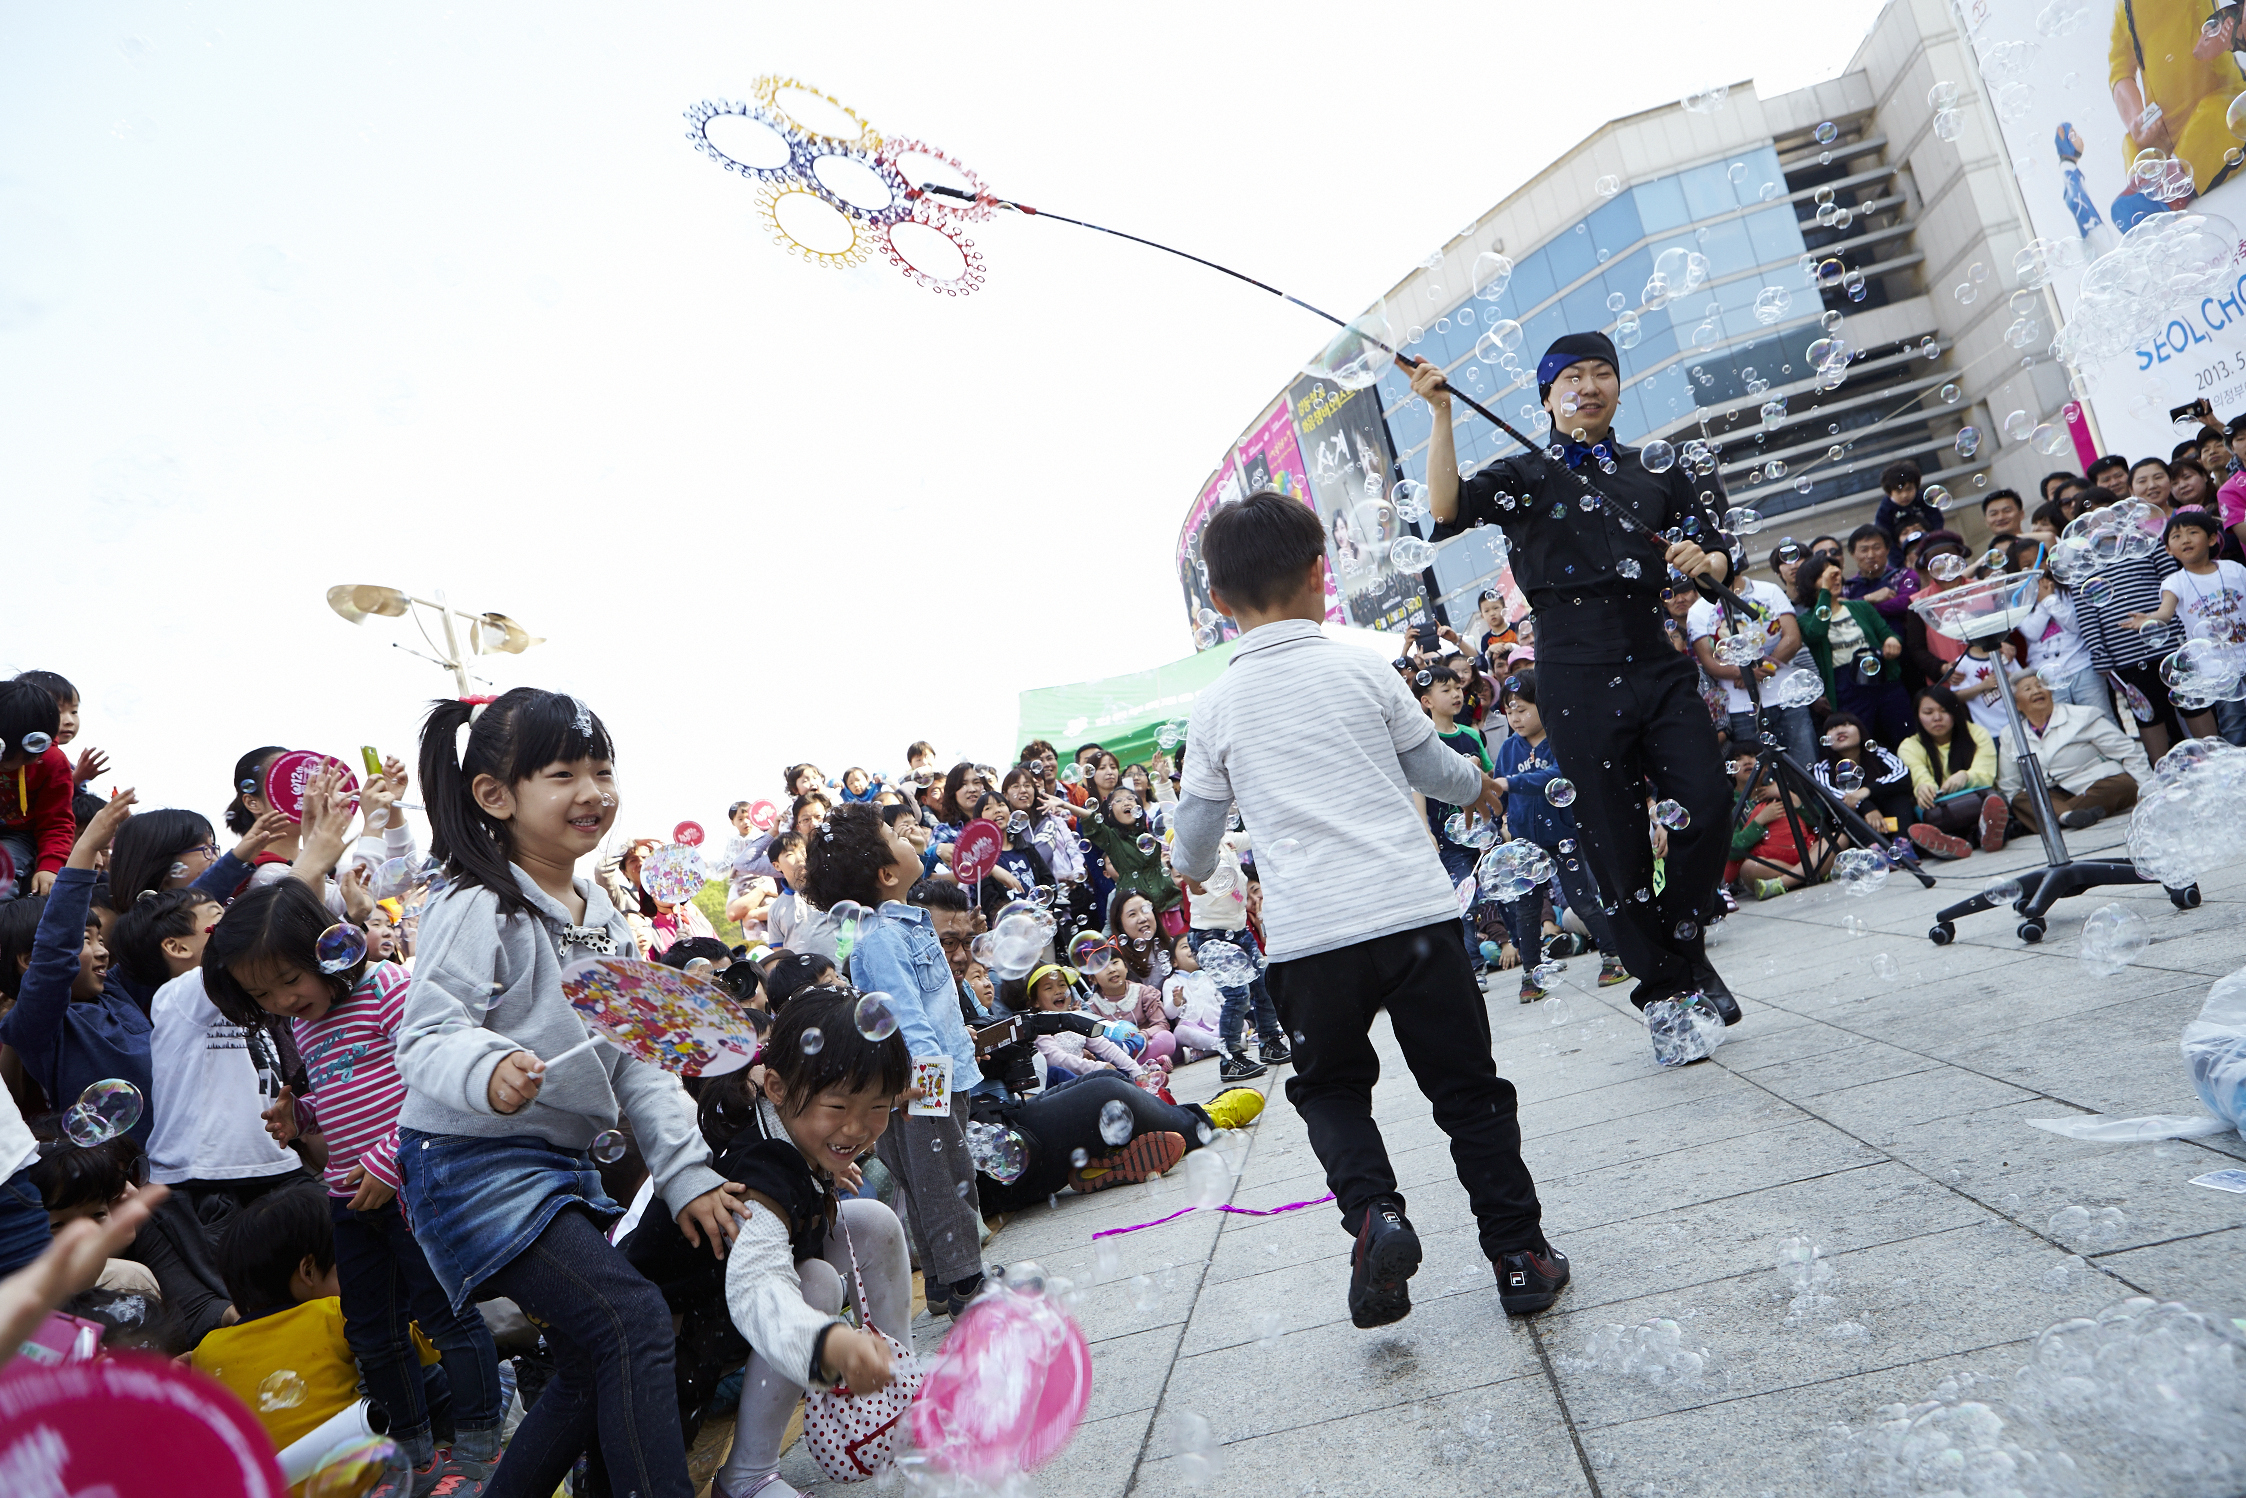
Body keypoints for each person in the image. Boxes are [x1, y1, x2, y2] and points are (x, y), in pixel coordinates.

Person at [1175, 486, 1565, 1329]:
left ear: (1217, 603)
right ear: (1323, 574)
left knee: (1332, 1092)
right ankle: (1520, 1257)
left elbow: (1195, 840)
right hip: (1413, 917)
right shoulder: (1362, 667)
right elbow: (1436, 770)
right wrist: (1482, 786)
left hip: (1312, 941)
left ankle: (1376, 1217)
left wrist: (1201, 862)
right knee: (1469, 1093)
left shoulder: (1213, 709)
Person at [394, 688, 740, 1498]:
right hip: (468, 1161)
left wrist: (686, 1173)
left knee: (593, 1359)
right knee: (630, 1319)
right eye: (563, 773)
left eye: (603, 769)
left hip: (554, 1160)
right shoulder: (478, 902)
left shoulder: (608, 920)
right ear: (495, 796)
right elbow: (426, 1035)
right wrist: (487, 1068)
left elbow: (645, 1060)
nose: (593, 792)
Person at [1419, 331, 1739, 1035]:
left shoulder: (1658, 469)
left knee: (1709, 802)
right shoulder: (1526, 474)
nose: (1589, 385)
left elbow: (1719, 556)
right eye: (1572, 376)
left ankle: (1681, 945)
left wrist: (1703, 559)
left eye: (1603, 373)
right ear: (1547, 396)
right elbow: (1446, 509)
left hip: (1653, 654)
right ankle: (1665, 991)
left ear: (1619, 388)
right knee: (1613, 838)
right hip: (1570, 666)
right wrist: (1440, 413)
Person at [206, 878, 505, 1493]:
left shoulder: (391, 990)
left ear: (328, 950)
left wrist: (389, 1161)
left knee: (445, 1318)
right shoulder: (308, 1025)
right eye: (262, 993)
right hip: (351, 1197)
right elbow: (344, 1096)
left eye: (290, 979)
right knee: (371, 1330)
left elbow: (433, 1089)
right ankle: (414, 1451)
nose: (283, 999)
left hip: (415, 1189)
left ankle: (480, 1443)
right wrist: (302, 1118)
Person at [628, 990, 914, 1498]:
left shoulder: (780, 1117)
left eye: (879, 1106)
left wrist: (827, 1162)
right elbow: (757, 1278)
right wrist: (828, 1344)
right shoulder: (763, 1166)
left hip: (723, 1301)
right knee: (816, 1283)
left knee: (871, 1222)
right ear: (777, 1087)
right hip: (678, 1336)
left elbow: (825, 1135)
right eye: (838, 1106)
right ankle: (747, 1476)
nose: (858, 1127)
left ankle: (901, 1393)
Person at [808, 805, 991, 1322]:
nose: (906, 834)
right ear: (888, 874)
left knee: (929, 1178)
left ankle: (939, 1279)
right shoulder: (885, 936)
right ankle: (966, 1283)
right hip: (922, 1082)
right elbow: (905, 1016)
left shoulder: (904, 923)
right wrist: (928, 1084)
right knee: (945, 1180)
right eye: (893, 833)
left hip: (931, 1075)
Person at [0, 792, 151, 1140]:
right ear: (29, 962)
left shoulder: (115, 992)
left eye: (101, 939)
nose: (103, 952)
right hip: (124, 1175)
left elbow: (175, 935)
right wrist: (84, 849)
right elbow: (55, 957)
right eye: (84, 940)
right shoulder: (34, 1024)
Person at [1490, 671, 1627, 998]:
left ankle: (1614, 956)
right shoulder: (1509, 750)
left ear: (1544, 705)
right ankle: (1532, 974)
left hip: (1564, 836)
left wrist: (1510, 783)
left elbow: (1555, 777)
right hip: (1524, 844)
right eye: (1510, 711)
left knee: (1581, 899)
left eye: (1523, 708)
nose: (1516, 717)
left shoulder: (1559, 741)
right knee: (1526, 909)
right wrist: (1498, 823)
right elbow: (1498, 795)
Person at [2126, 510, 2246, 742]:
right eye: (2177, 536)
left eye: (2192, 532)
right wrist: (2149, 619)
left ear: (2212, 539)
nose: (2186, 539)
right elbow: (2165, 612)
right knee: (2234, 727)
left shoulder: (2234, 569)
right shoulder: (2175, 582)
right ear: (2169, 549)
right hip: (2215, 670)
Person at [1409, 664, 1495, 978]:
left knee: (1505, 895)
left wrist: (1475, 770)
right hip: (1450, 838)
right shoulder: (1424, 740)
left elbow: (1490, 780)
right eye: (1446, 690)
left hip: (1483, 829)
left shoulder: (1472, 734)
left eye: (1458, 688)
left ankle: (1526, 956)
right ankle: (1474, 965)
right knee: (1465, 901)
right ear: (1426, 701)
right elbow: (1418, 789)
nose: (1456, 694)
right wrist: (1426, 830)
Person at [1687, 571, 1818, 768]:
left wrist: (1764, 668)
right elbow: (1708, 660)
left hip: (1787, 698)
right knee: (1758, 775)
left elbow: (1793, 639)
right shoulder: (1699, 609)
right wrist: (1744, 674)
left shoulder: (1769, 591)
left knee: (1806, 765)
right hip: (1741, 708)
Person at [1995, 673, 2154, 832]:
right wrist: (2016, 804)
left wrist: (2146, 791)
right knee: (2021, 799)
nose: (2037, 691)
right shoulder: (2010, 734)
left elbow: (2129, 751)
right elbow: (2010, 783)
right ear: (2016, 704)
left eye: (2040, 685)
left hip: (2093, 786)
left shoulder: (2082, 716)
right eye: (2027, 689)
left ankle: (2053, 818)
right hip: (2051, 794)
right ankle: (2069, 817)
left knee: (2123, 785)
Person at [1794, 553, 1909, 745]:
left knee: (1904, 737)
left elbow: (1886, 633)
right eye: (1825, 575)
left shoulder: (1860, 607)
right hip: (1846, 687)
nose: (1834, 578)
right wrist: (1825, 591)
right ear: (1811, 582)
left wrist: (1892, 640)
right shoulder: (1805, 620)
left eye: (1836, 573)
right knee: (1862, 744)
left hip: (1883, 679)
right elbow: (1817, 632)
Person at [2011, 539, 2117, 726]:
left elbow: (2077, 625)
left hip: (2082, 666)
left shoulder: (2068, 588)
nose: (2036, 567)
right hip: (2045, 676)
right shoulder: (2019, 599)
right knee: (2061, 726)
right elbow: (2032, 632)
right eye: (2026, 565)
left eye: (2040, 560)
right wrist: (2045, 601)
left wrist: (2051, 599)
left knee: (2100, 720)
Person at [1896, 685, 2002, 859]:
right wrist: (1923, 788)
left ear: (1956, 712)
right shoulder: (1910, 745)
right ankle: (1974, 837)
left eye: (1944, 711)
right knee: (1926, 812)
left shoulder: (1977, 733)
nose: (1937, 718)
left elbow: (1986, 774)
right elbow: (1919, 774)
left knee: (1993, 801)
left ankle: (1961, 841)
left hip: (1977, 802)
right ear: (1917, 716)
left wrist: (1966, 776)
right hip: (1940, 810)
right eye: (1928, 713)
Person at [0, 680, 74, 900]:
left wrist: (50, 866)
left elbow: (56, 821)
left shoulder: (51, 762)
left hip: (18, 835)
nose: (8, 767)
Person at [1812, 713, 1916, 842]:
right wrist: (1866, 807)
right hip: (1858, 832)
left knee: (1898, 795)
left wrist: (1866, 791)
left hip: (1890, 819)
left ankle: (1903, 844)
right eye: (1832, 728)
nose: (1840, 730)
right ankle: (1874, 851)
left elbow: (1903, 775)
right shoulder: (1822, 768)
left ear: (1861, 730)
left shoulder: (1880, 753)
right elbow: (1829, 794)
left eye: (1846, 724)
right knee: (1842, 809)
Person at [1842, 525, 1921, 633]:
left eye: (1876, 548)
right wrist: (1869, 598)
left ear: (1887, 549)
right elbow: (1840, 611)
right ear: (1852, 554)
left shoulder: (1903, 575)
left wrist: (1857, 608)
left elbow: (1906, 602)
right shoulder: (1847, 587)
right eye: (1864, 550)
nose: (1870, 555)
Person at [1875, 461, 1943, 539]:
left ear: (1916, 487)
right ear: (1889, 493)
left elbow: (1937, 521)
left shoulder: (1923, 499)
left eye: (1909, 489)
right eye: (1898, 491)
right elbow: (1885, 537)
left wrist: (1933, 541)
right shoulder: (1885, 510)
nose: (1905, 495)